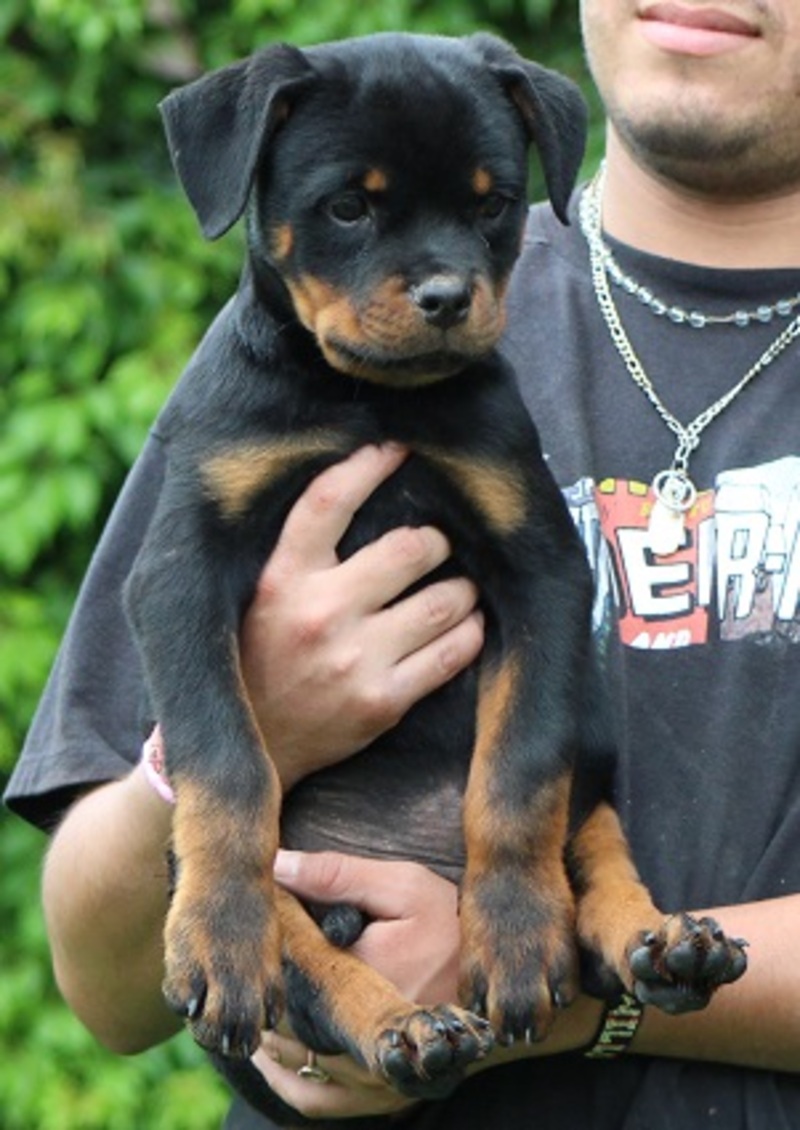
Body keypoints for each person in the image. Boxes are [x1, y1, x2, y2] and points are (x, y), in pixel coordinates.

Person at [6, 0, 800, 1125]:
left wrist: (569, 990)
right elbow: (107, 989)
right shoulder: (243, 390)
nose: (440, 283)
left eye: (485, 216)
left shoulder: (479, 395)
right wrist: (243, 749)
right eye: (351, 211)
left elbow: (547, 597)